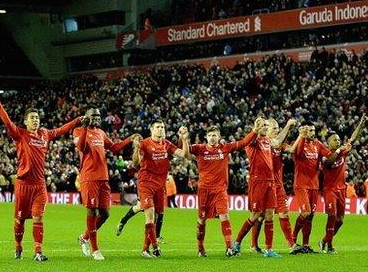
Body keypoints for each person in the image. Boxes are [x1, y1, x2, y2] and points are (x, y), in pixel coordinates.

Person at [0, 89, 81, 261]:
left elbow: (61, 130)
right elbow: (7, 121)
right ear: (25, 122)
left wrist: (77, 120)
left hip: (39, 184)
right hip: (23, 184)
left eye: (37, 117)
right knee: (20, 219)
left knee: (38, 217)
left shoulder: (45, 134)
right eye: (32, 118)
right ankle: (18, 246)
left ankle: (38, 252)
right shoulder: (20, 134)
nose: (35, 120)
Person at [74, 107, 139, 260]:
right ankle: (95, 250)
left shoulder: (101, 133)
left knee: (105, 214)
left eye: (98, 116)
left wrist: (129, 139)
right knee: (92, 211)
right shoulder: (78, 131)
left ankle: (84, 237)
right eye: (93, 116)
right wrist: (84, 127)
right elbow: (81, 146)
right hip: (89, 177)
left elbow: (114, 148)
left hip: (103, 178)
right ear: (87, 117)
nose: (97, 118)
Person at [187, 122, 259, 257]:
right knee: (202, 220)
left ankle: (228, 248)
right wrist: (184, 138)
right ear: (206, 137)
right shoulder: (199, 148)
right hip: (204, 190)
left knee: (224, 216)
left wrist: (254, 130)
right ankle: (200, 248)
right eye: (209, 135)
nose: (212, 137)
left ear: (219, 136)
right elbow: (184, 151)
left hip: (220, 189)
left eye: (214, 135)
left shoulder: (225, 148)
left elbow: (243, 142)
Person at [231, 118, 294, 258]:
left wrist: (288, 126)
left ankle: (269, 249)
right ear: (257, 127)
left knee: (270, 214)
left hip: (271, 181)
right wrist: (255, 129)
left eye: (267, 125)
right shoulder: (253, 141)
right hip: (258, 182)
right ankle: (237, 243)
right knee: (254, 215)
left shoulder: (267, 141)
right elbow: (245, 141)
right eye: (263, 125)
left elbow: (278, 141)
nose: (265, 128)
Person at [131, 120, 189, 258]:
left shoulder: (167, 144)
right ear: (151, 129)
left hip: (160, 185)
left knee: (157, 217)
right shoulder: (144, 143)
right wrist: (136, 148)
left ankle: (145, 249)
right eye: (158, 127)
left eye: (162, 127)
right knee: (150, 214)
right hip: (146, 184)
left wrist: (184, 139)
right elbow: (135, 163)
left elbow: (184, 154)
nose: (161, 129)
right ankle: (155, 248)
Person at [248, 118, 301, 254]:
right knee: (259, 216)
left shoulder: (278, 145)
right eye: (275, 128)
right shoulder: (262, 143)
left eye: (278, 128)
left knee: (283, 213)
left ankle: (291, 245)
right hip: (263, 184)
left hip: (278, 186)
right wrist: (288, 126)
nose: (277, 131)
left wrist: (300, 136)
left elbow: (291, 149)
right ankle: (253, 245)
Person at [290, 122, 344, 253]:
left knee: (311, 215)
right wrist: (301, 136)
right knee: (306, 212)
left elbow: (330, 157)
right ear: (304, 131)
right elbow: (295, 152)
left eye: (313, 130)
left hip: (314, 186)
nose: (312, 132)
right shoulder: (299, 142)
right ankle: (293, 237)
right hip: (301, 184)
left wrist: (339, 150)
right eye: (309, 130)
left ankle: (306, 245)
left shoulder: (318, 145)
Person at [319, 114, 365, 253]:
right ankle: (330, 246)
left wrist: (361, 124)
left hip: (341, 190)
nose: (338, 142)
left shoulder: (342, 152)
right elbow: (330, 162)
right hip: (329, 190)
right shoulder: (325, 155)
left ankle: (324, 240)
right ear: (328, 142)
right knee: (332, 215)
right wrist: (339, 150)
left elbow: (352, 139)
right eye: (335, 140)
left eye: (339, 140)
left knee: (340, 221)